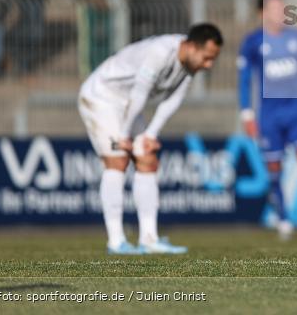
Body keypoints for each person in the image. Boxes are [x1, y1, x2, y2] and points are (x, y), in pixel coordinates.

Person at [78, 23, 223, 254]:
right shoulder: (160, 51)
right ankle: (116, 242)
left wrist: (150, 134)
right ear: (192, 47)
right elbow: (139, 93)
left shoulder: (188, 65)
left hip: (128, 104)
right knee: (118, 159)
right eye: (206, 58)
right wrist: (124, 135)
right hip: (102, 96)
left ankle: (149, 238)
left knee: (147, 159)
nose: (209, 65)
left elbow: (173, 100)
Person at [238, 0, 297, 240]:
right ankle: (284, 219)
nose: (280, 13)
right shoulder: (252, 42)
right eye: (274, 8)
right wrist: (246, 113)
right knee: (274, 169)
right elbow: (244, 81)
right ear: (262, 13)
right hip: (269, 116)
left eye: (282, 8)